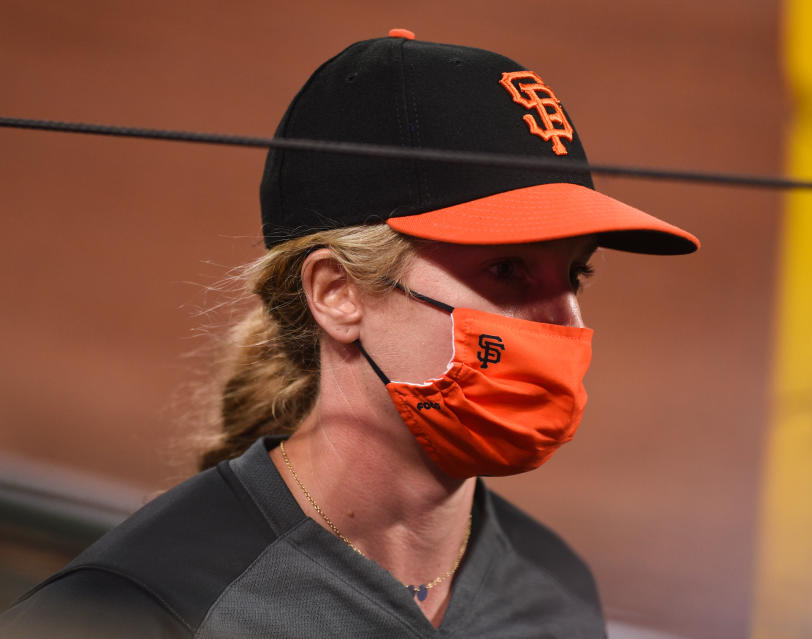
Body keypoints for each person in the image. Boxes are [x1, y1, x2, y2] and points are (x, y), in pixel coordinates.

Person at [0, 29, 698, 638]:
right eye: (508, 269)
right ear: (337, 294)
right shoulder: (139, 607)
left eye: (575, 275)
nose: (566, 325)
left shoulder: (557, 589)